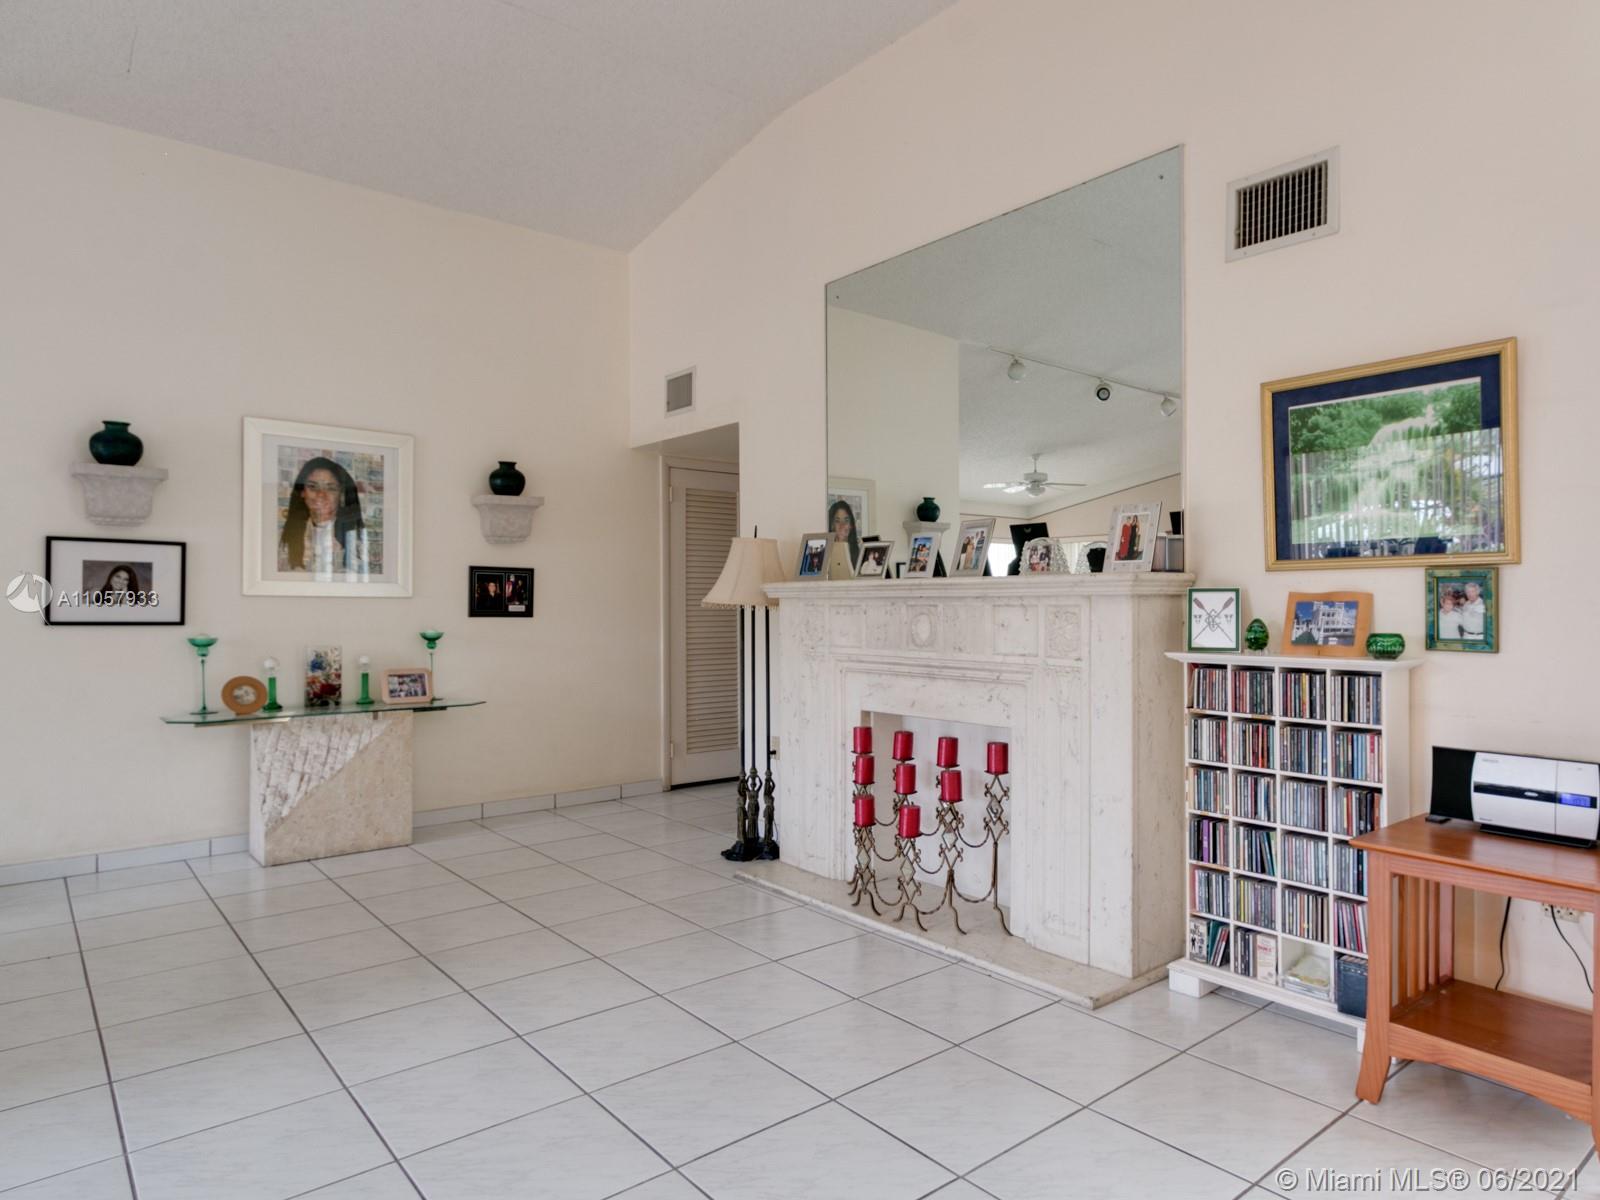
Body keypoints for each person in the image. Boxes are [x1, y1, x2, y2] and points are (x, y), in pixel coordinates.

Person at [279, 457, 367, 574]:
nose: (321, 494)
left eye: (331, 488)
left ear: (340, 493)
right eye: (313, 487)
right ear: (302, 492)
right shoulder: (283, 538)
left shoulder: (356, 539)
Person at [828, 499, 861, 569]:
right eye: (837, 521)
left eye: (846, 520)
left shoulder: (859, 554)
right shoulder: (825, 554)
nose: (842, 525)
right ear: (832, 525)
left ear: (851, 525)